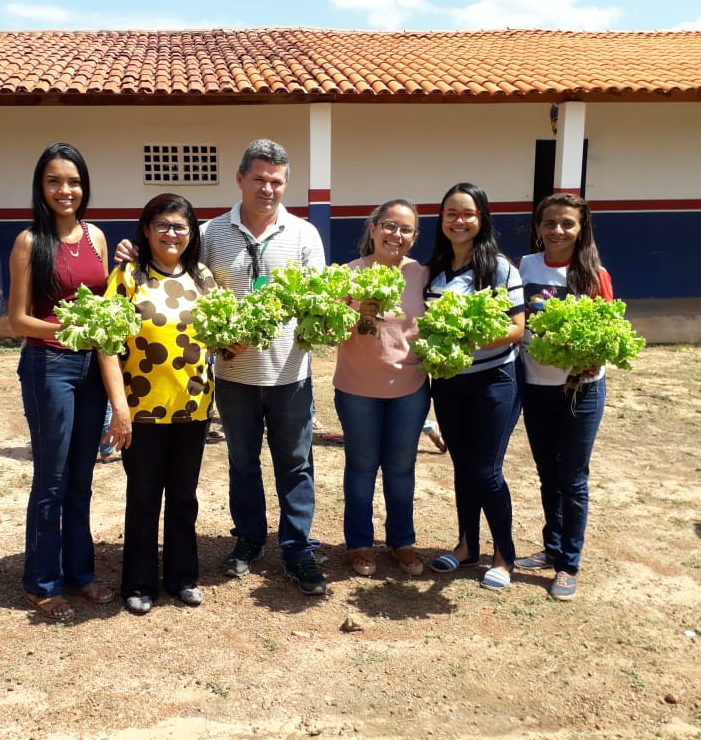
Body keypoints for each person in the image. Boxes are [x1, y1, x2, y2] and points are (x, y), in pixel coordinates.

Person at [116, 139, 329, 596]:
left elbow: (321, 303)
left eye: (276, 181)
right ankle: (249, 541)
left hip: (290, 373)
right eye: (259, 178)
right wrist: (131, 253)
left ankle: (296, 548)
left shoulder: (305, 235)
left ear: (285, 183)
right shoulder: (211, 233)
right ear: (240, 179)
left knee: (295, 464)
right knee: (243, 463)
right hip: (231, 378)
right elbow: (180, 273)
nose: (267, 188)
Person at [8, 142, 129, 621]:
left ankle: (79, 574)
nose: (65, 190)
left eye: (74, 181)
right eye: (55, 181)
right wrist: (71, 328)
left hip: (90, 370)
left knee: (82, 479)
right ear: (41, 187)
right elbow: (17, 319)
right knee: (52, 480)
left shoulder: (96, 237)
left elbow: (106, 297)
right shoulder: (28, 242)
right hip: (48, 367)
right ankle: (40, 582)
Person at [104, 192, 217, 614]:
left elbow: (221, 341)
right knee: (145, 496)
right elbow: (108, 344)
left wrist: (239, 341)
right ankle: (138, 582)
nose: (172, 234)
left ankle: (183, 577)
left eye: (181, 227)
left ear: (192, 234)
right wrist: (119, 409)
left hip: (194, 405)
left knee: (184, 496)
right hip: (143, 408)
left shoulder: (203, 277)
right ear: (147, 230)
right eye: (163, 225)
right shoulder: (128, 275)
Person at [424, 182, 526, 591]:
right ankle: (467, 546)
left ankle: (504, 555)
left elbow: (517, 329)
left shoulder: (500, 268)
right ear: (442, 219)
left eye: (467, 213)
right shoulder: (434, 269)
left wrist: (467, 338)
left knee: (486, 471)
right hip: (449, 384)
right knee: (463, 469)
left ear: (481, 219)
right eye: (451, 213)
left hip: (494, 381)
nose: (459, 220)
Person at [514, 193, 614, 601]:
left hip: (581, 389)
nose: (557, 230)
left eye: (567, 224)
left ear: (580, 228)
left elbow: (609, 333)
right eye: (549, 223)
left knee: (573, 480)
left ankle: (568, 564)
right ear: (538, 227)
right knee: (547, 474)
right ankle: (551, 548)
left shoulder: (594, 274)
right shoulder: (525, 266)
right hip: (536, 385)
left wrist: (592, 359)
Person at [333, 199, 431, 578]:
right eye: (389, 226)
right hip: (357, 388)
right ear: (373, 228)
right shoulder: (347, 274)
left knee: (401, 468)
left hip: (409, 388)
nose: (396, 235)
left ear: (414, 237)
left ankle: (402, 542)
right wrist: (358, 316)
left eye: (406, 229)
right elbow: (329, 334)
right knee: (361, 466)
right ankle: (359, 543)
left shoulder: (421, 275)